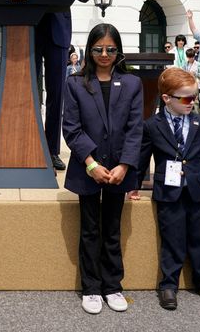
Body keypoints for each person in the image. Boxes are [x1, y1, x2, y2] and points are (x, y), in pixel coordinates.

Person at [61, 23, 143, 315]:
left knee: (112, 229)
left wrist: (124, 165)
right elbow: (71, 128)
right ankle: (91, 288)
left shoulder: (132, 83)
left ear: (118, 50)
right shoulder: (75, 83)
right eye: (98, 49)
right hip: (89, 167)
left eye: (110, 49)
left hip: (119, 169)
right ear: (90, 49)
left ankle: (112, 285)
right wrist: (92, 164)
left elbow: (135, 129)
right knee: (90, 229)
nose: (104, 54)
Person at [12, 0, 91, 170]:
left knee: (56, 94)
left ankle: (51, 149)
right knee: (29, 91)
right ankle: (28, 146)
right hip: (29, 29)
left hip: (58, 31)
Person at [138, 68, 200, 311]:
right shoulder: (152, 126)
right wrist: (133, 186)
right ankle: (168, 285)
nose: (191, 102)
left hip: (196, 190)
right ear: (166, 98)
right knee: (172, 239)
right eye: (185, 98)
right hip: (169, 191)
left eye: (194, 97)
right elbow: (143, 158)